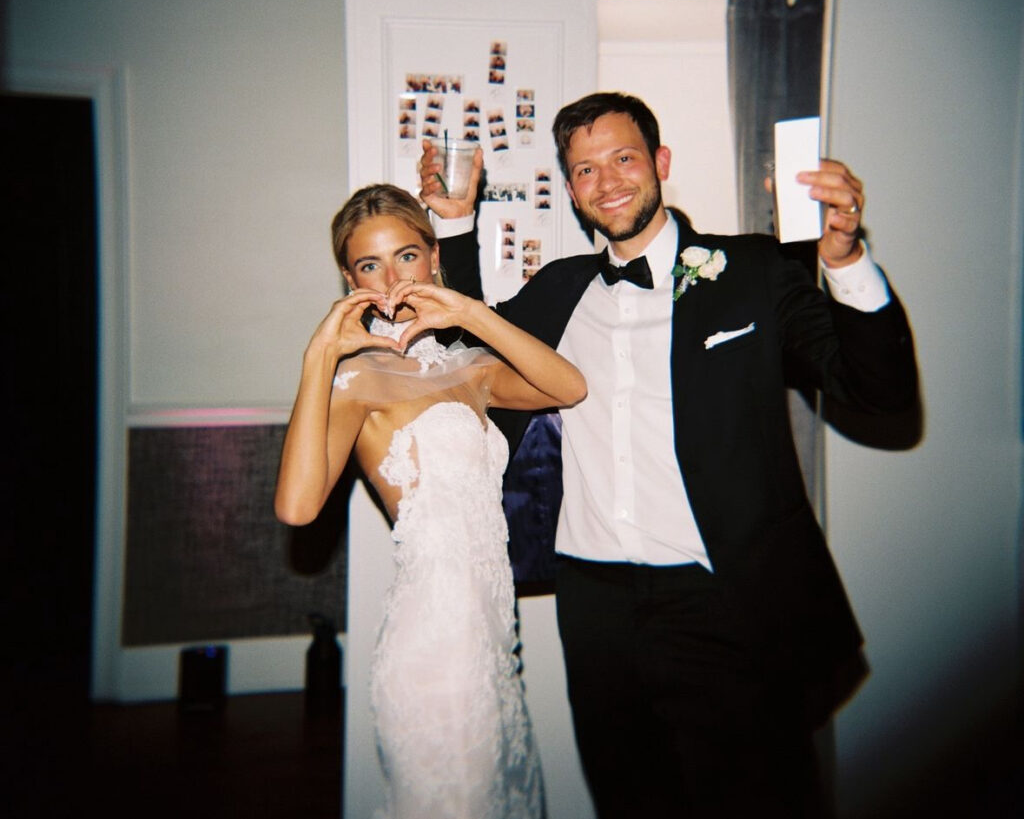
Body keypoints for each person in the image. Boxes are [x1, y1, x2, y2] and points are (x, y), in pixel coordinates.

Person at [418, 92, 919, 818]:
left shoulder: (753, 269)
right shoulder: (562, 286)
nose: (608, 181)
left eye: (623, 157)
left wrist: (844, 260)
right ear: (570, 189)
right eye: (584, 170)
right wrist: (456, 220)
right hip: (595, 611)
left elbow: (879, 391)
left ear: (660, 163)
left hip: (721, 599)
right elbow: (471, 351)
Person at [274, 184, 586, 819]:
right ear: (349, 277)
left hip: (494, 641)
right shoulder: (355, 382)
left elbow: (570, 386)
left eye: (407, 257)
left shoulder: (469, 368)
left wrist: (470, 314)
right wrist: (318, 361)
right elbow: (298, 509)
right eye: (370, 265)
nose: (392, 280)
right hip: (435, 648)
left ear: (433, 256)